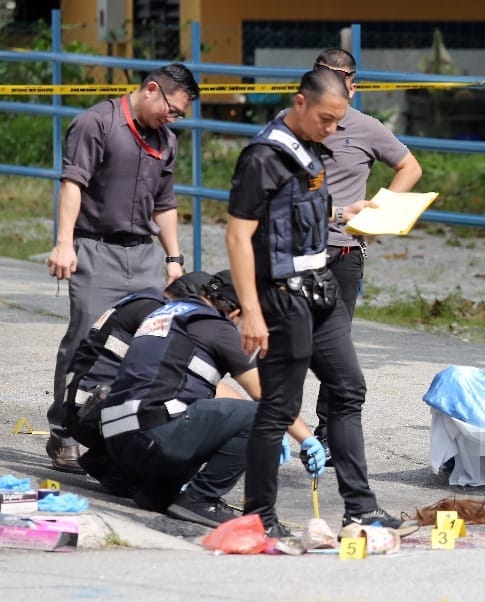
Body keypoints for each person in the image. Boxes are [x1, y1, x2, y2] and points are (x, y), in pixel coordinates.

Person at [225, 68, 416, 538]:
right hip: (281, 294)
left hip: (320, 286)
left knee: (348, 389)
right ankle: (260, 518)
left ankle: (361, 508)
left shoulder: (311, 148)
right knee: (278, 406)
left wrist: (341, 213)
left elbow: (297, 207)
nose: (332, 129)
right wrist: (251, 309)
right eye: (326, 119)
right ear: (300, 103)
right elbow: (239, 234)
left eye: (338, 121)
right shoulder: (263, 156)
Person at [44, 63, 200, 473]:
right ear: (151, 90)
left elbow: (165, 202)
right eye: (172, 109)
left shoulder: (167, 140)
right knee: (83, 342)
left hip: (143, 254)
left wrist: (174, 258)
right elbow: (72, 183)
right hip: (96, 249)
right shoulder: (95, 123)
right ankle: (63, 434)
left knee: (146, 345)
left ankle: (115, 434)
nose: (173, 118)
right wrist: (64, 244)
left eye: (180, 115)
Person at [98, 272, 326, 527]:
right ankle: (201, 498)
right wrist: (306, 439)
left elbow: (201, 389)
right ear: (238, 312)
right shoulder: (218, 328)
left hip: (116, 439)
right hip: (151, 436)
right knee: (257, 416)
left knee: (199, 410)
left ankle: (157, 492)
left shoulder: (169, 314)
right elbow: (267, 395)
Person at [310, 49, 424, 459]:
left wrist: (379, 212)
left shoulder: (366, 128)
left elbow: (410, 167)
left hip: (342, 251)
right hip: (294, 251)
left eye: (341, 81)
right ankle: (274, 425)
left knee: (334, 346)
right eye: (324, 78)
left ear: (353, 87)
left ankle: (326, 431)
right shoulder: (295, 123)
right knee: (286, 342)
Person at [60, 271, 212, 495]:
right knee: (190, 409)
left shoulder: (146, 302)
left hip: (83, 406)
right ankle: (126, 468)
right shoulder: (157, 313)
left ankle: (109, 463)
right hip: (91, 409)